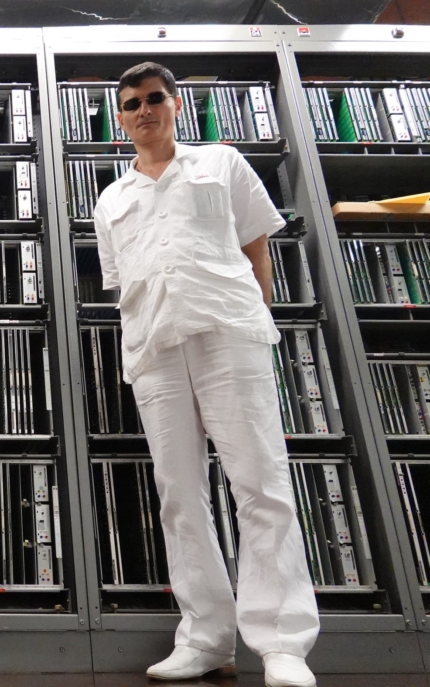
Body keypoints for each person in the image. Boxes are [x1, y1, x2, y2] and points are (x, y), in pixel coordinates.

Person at [93, 62, 320, 687]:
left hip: (228, 332)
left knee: (261, 482)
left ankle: (282, 644)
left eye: (154, 98)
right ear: (121, 118)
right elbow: (122, 282)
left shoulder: (222, 163)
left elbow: (256, 246)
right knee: (179, 495)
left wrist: (257, 316)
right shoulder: (111, 199)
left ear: (176, 103)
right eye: (131, 103)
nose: (144, 110)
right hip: (154, 348)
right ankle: (206, 639)